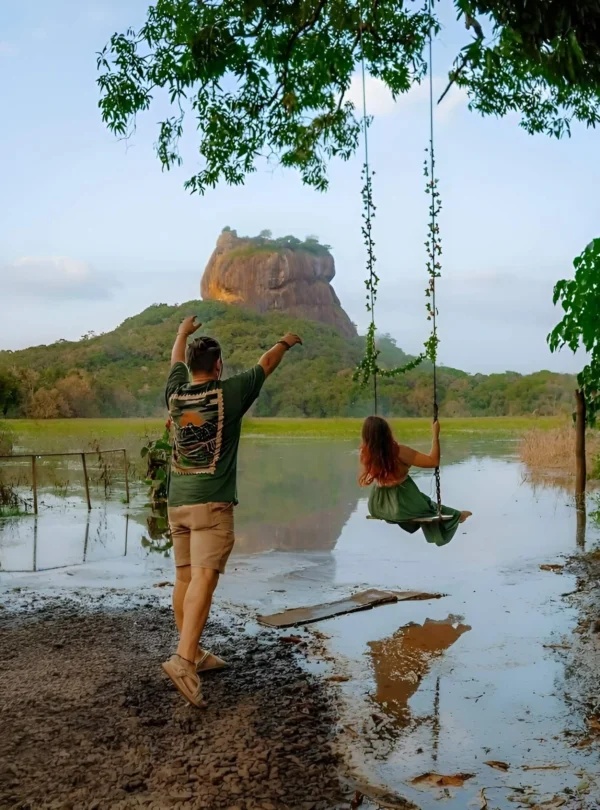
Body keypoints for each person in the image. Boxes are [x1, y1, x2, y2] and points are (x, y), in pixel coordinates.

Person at [162, 315, 302, 707]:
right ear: (219, 366)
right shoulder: (231, 393)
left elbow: (174, 361)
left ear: (191, 368)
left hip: (177, 504)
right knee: (204, 580)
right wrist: (285, 341)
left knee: (185, 578)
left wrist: (181, 332)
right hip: (212, 503)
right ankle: (184, 660)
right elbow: (266, 364)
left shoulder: (175, 394)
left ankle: (196, 653)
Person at [359, 415, 471, 547]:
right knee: (428, 506)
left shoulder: (366, 454)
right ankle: (458, 516)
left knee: (426, 502)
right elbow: (433, 462)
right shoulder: (399, 452)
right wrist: (435, 436)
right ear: (386, 433)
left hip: (377, 506)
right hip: (401, 505)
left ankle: (458, 515)